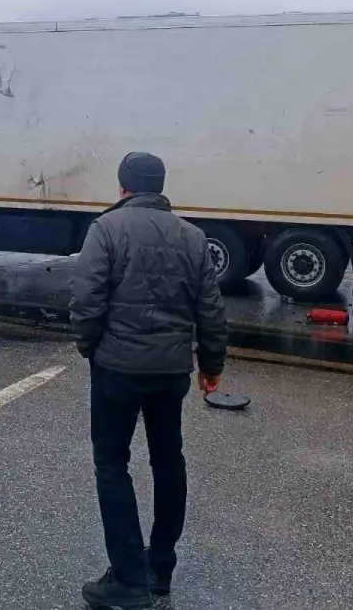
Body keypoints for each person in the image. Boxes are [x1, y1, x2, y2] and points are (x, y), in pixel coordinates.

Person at [70, 152, 228, 610]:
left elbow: (85, 298)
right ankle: (160, 567)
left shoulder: (106, 229)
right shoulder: (193, 237)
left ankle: (128, 577)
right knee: (167, 460)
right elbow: (211, 311)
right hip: (171, 372)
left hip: (116, 369)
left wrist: (90, 348)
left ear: (122, 187)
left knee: (112, 465)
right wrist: (212, 366)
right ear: (160, 187)